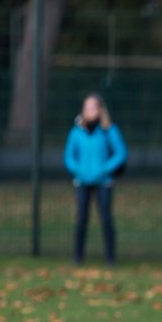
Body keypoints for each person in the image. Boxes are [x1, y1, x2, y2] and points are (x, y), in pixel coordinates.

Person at [63, 93, 127, 266]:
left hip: (104, 182)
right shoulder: (76, 132)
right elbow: (69, 157)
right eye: (87, 107)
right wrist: (79, 171)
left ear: (100, 110)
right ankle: (78, 257)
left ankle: (110, 258)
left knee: (106, 219)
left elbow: (121, 153)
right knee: (81, 219)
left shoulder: (109, 130)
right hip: (82, 182)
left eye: (93, 107)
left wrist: (105, 169)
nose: (89, 111)